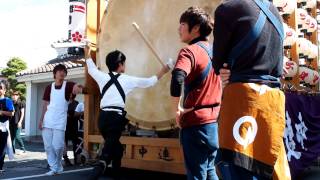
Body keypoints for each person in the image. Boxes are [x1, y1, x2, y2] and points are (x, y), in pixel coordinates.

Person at [213, 0, 290, 179]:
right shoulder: (275, 13)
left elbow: (218, 61)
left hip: (243, 100)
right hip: (272, 102)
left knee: (238, 167)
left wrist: (226, 68)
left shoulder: (228, 9)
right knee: (266, 166)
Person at [86, 49, 172, 178]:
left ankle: (113, 170)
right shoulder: (127, 80)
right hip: (115, 119)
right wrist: (164, 70)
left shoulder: (102, 76)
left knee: (117, 149)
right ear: (120, 64)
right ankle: (100, 165)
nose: (125, 66)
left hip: (102, 119)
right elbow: (150, 82)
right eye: (124, 63)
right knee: (108, 152)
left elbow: (91, 68)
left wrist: (87, 51)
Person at [170, 7, 222, 180]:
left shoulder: (189, 51)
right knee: (210, 170)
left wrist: (176, 109)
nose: (179, 29)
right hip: (213, 123)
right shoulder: (216, 52)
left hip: (194, 123)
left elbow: (177, 77)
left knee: (196, 175)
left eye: (182, 24)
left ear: (196, 28)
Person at [39, 64, 83, 176]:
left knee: (58, 146)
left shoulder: (68, 85)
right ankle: (54, 168)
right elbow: (45, 105)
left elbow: (76, 88)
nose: (62, 73)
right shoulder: (49, 87)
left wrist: (79, 88)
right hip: (48, 119)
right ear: (55, 73)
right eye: (59, 71)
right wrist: (41, 120)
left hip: (60, 121)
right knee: (48, 146)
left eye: (64, 71)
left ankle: (57, 165)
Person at [0, 80, 14, 173]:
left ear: (4, 91)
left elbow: (12, 113)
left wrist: (1, 112)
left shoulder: (7, 100)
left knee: (1, 149)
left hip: (2, 128)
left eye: (1, 88)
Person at [63, 95, 79, 166]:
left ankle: (76, 158)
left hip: (74, 125)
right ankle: (66, 159)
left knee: (75, 142)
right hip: (65, 125)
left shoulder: (76, 103)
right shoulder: (64, 102)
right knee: (64, 142)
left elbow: (78, 112)